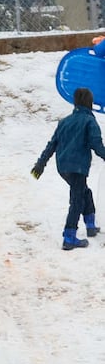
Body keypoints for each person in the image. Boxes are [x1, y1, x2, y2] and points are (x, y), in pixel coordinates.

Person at [32, 86, 105, 250]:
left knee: (84, 192)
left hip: (63, 167)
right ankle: (69, 237)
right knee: (77, 199)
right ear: (90, 103)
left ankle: (91, 225)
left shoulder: (64, 122)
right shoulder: (89, 121)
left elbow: (52, 145)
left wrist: (40, 164)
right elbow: (96, 144)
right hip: (78, 167)